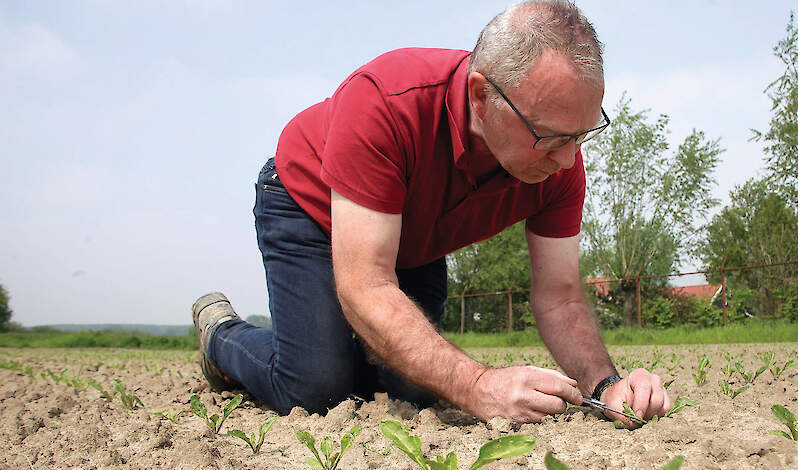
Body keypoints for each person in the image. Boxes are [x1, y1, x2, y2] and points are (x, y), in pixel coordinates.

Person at [193, 0, 671, 424]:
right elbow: (366, 284)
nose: (569, 160)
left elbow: (561, 297)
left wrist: (607, 387)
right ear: (482, 97)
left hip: (414, 235)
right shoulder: (386, 102)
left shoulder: (557, 162)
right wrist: (480, 386)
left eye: (583, 133)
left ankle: (349, 352)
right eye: (549, 135)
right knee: (317, 388)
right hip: (311, 204)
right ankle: (222, 336)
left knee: (419, 390)